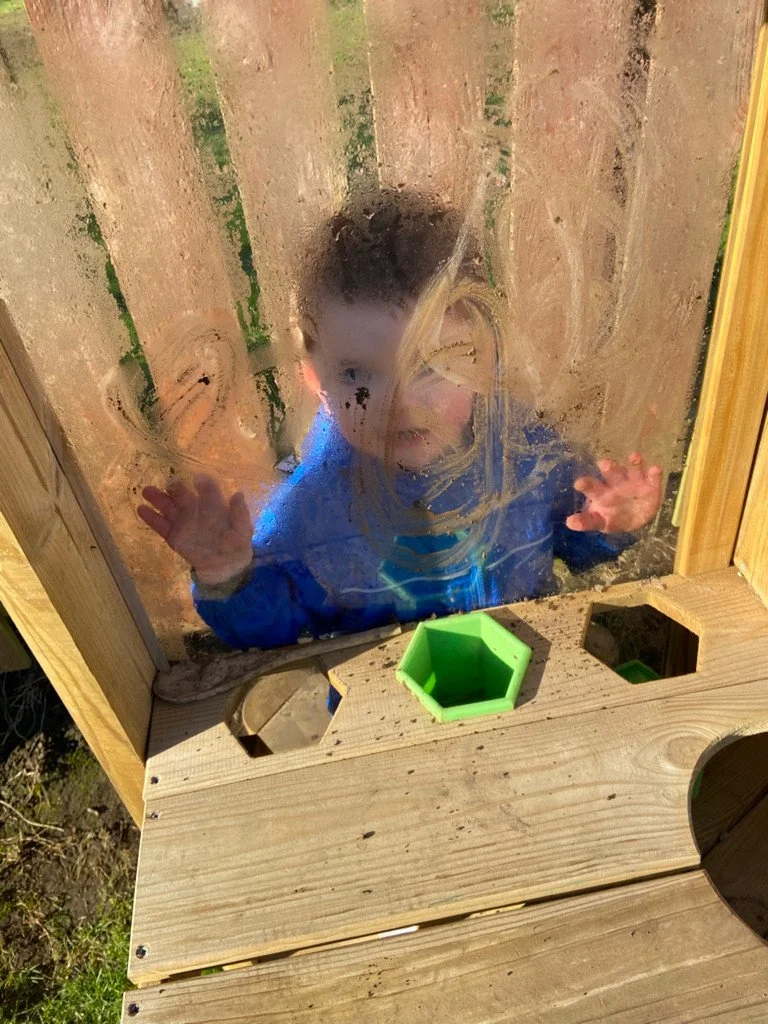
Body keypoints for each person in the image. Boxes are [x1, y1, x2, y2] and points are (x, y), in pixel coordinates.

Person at [137, 190, 662, 687]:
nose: (401, 401)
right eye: (357, 376)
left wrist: (611, 527)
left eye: (431, 365)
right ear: (315, 381)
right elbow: (273, 634)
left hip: (532, 674)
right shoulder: (312, 507)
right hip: (386, 717)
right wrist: (229, 576)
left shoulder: (527, 453)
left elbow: (576, 544)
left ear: (485, 355)